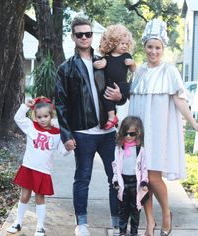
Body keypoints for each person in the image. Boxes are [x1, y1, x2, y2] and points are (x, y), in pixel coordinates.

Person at [128, 19, 198, 236]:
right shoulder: (138, 72)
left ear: (163, 48)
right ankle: (149, 222)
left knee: (154, 177)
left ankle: (166, 212)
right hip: (139, 132)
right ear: (144, 47)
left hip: (158, 131)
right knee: (142, 178)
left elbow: (179, 101)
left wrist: (194, 123)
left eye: (157, 47)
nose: (153, 51)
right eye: (149, 46)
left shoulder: (170, 71)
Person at [55, 17, 126, 236]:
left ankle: (117, 223)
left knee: (115, 178)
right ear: (73, 37)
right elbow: (60, 103)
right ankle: (82, 224)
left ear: (92, 35)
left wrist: (121, 95)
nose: (84, 37)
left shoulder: (103, 62)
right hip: (83, 133)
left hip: (108, 131)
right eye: (79, 34)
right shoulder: (66, 68)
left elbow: (119, 92)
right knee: (82, 178)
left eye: (88, 34)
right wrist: (66, 135)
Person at [7, 97, 68, 236]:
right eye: (39, 116)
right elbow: (18, 118)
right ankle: (18, 222)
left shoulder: (57, 134)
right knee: (24, 196)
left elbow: (62, 152)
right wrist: (25, 106)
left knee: (40, 198)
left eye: (46, 116)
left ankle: (40, 227)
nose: (42, 119)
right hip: (29, 167)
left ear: (51, 116)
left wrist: (69, 147)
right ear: (35, 116)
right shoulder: (31, 126)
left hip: (43, 171)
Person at [93, 24, 136, 130]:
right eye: (122, 43)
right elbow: (101, 64)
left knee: (125, 93)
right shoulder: (107, 57)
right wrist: (98, 64)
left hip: (122, 84)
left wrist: (132, 63)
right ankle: (112, 117)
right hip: (110, 85)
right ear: (112, 43)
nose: (125, 46)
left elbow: (133, 69)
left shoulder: (126, 56)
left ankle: (115, 117)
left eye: (127, 44)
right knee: (106, 96)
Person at [112, 116, 148, 236]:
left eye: (132, 134)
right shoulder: (119, 149)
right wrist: (115, 181)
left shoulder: (140, 150)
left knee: (135, 210)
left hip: (135, 184)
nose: (128, 136)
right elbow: (115, 166)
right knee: (123, 211)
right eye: (125, 133)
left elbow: (143, 168)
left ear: (138, 134)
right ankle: (122, 232)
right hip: (123, 183)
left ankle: (134, 232)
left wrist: (144, 182)